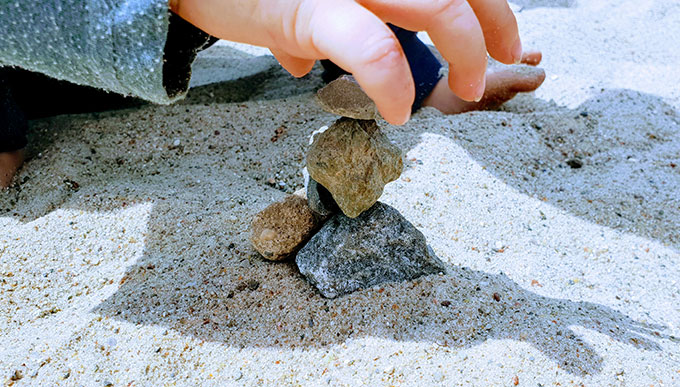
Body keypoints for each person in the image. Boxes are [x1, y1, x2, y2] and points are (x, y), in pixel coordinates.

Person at [0, 0, 544, 188]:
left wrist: (418, 77)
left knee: (337, 24)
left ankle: (418, 83)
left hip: (174, 36)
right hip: (31, 51)